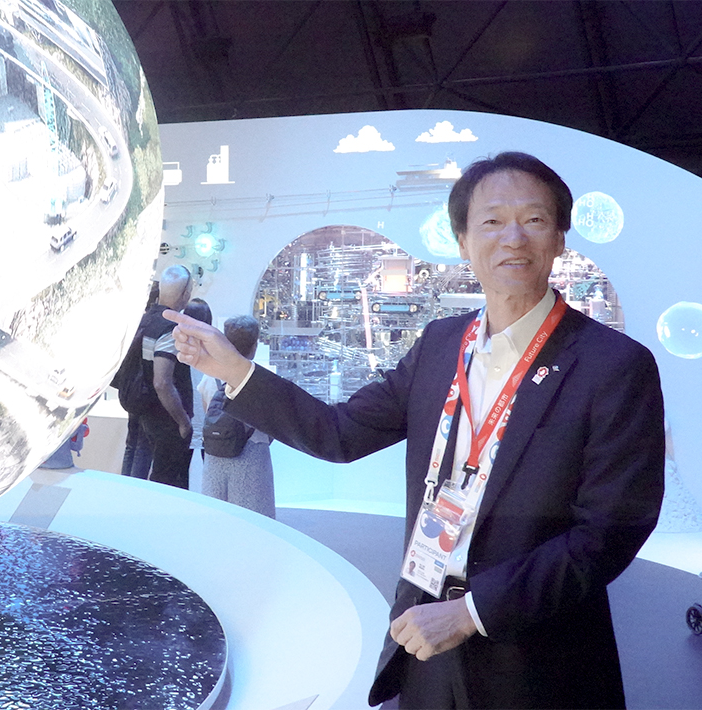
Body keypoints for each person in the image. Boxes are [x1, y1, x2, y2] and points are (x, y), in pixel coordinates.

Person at [164, 152, 665, 709]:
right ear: (462, 242)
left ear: (559, 238)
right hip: (423, 637)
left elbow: (610, 530)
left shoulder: (613, 365)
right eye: (492, 221)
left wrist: (471, 612)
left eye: (534, 219)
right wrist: (236, 371)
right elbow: (340, 432)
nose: (513, 237)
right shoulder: (441, 345)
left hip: (538, 658)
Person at [201, 315, 275, 518]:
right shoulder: (263, 380)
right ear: (254, 345)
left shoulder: (211, 377)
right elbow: (272, 426)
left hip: (215, 455)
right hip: (252, 454)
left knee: (216, 517)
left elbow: (207, 411)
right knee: (254, 519)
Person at [134, 265, 194, 488]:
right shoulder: (170, 329)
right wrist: (183, 421)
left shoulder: (145, 320)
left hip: (144, 411)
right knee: (169, 484)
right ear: (185, 294)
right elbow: (162, 382)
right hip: (167, 419)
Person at [120, 281, 160, 479]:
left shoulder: (135, 322)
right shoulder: (153, 325)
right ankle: (135, 484)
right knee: (143, 445)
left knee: (132, 443)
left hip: (130, 389)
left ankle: (125, 483)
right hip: (144, 390)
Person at [183, 298, 213, 477]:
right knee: (211, 473)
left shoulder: (177, 344)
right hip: (207, 416)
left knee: (177, 474)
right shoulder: (215, 347)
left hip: (184, 414)